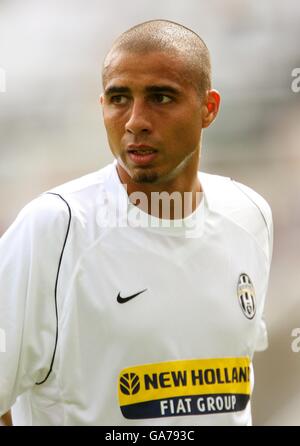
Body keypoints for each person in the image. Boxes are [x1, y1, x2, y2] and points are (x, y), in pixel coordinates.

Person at [0, 19, 273, 426]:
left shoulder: (250, 214)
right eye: (119, 98)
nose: (135, 121)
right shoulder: (54, 227)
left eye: (161, 98)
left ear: (208, 108)